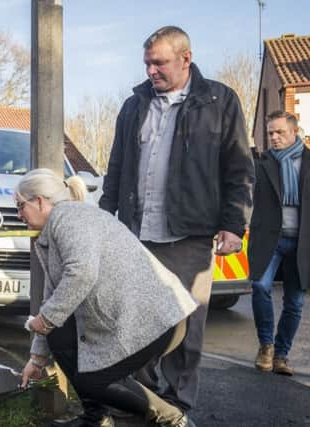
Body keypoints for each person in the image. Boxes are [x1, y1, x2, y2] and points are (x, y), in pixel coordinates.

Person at [98, 25, 255, 412]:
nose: (151, 71)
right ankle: (145, 398)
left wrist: (235, 224)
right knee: (137, 322)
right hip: (138, 233)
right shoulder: (134, 106)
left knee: (185, 324)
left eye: (159, 62)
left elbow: (239, 169)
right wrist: (105, 219)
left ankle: (178, 402)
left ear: (185, 58)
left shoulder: (220, 100)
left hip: (190, 234)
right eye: (148, 63)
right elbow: (116, 168)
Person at [17, 169, 199, 427]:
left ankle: (172, 418)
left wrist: (45, 320)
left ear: (39, 201)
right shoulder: (60, 224)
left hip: (158, 321)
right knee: (60, 332)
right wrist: (37, 359)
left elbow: (81, 273)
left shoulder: (69, 218)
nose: (18, 214)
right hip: (143, 320)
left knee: (95, 380)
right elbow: (54, 298)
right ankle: (97, 419)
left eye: (19, 206)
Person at [249, 111, 310, 375]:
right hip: (269, 240)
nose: (273, 137)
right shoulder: (261, 164)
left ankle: (281, 355)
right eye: (270, 133)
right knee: (260, 287)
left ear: (294, 132)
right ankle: (266, 346)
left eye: (279, 132)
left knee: (294, 302)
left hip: (304, 242)